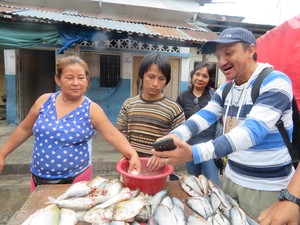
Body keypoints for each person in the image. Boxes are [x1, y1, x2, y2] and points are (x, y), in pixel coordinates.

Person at [148, 27, 295, 218]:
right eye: (218, 57)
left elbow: (252, 131)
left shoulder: (275, 82)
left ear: (251, 50)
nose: (222, 62)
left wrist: (194, 153)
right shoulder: (226, 90)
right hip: (231, 180)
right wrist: (176, 135)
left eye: (229, 53)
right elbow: (204, 117)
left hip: (265, 187)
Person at [0, 55, 141, 192]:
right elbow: (24, 129)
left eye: (81, 78)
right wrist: (2, 154)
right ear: (58, 79)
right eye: (69, 77)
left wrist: (132, 154)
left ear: (87, 80)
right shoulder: (43, 101)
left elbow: (112, 134)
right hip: (38, 177)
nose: (75, 83)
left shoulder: (91, 109)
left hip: (76, 179)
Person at [116, 52, 185, 160]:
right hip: (132, 165)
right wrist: (127, 153)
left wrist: (164, 157)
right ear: (142, 76)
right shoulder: (128, 105)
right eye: (151, 76)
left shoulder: (174, 109)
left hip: (160, 168)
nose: (155, 83)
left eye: (161, 79)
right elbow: (120, 136)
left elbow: (180, 142)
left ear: (166, 80)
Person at [176, 62, 220, 185]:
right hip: (190, 147)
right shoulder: (183, 96)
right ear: (192, 75)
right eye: (197, 74)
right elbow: (178, 121)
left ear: (209, 79)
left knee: (212, 184)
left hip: (210, 148)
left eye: (205, 76)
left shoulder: (215, 97)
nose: (200, 79)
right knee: (193, 182)